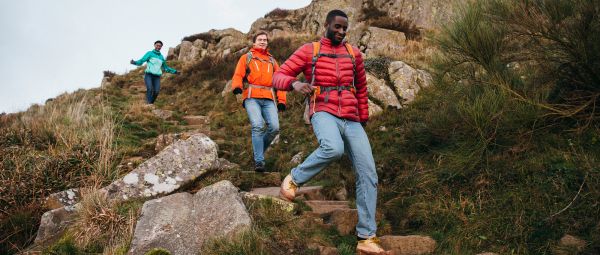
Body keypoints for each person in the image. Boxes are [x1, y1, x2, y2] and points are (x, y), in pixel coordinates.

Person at [273, 10, 391, 255]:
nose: (341, 31)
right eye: (337, 27)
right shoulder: (310, 50)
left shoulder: (354, 54)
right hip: (323, 109)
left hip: (351, 118)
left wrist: (363, 118)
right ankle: (294, 178)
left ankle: (366, 238)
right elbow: (279, 75)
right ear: (326, 25)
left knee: (368, 173)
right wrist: (295, 84)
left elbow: (361, 88)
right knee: (333, 148)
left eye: (344, 28)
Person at [231, 31, 287, 172]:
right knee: (257, 125)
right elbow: (238, 74)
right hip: (251, 96)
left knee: (274, 128)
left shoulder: (272, 61)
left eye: (265, 40)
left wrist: (282, 100)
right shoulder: (247, 57)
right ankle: (259, 162)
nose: (263, 42)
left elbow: (280, 82)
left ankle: (258, 151)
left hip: (269, 98)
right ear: (254, 42)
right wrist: (237, 89)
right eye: (260, 39)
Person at [130, 40, 178, 104]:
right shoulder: (150, 53)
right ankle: (148, 104)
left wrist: (175, 72)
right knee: (150, 89)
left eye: (160, 46)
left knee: (156, 92)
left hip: (157, 77)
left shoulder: (161, 57)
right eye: (157, 45)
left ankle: (150, 103)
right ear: (154, 45)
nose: (158, 47)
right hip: (149, 75)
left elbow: (166, 68)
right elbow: (142, 60)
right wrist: (135, 62)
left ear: (161, 47)